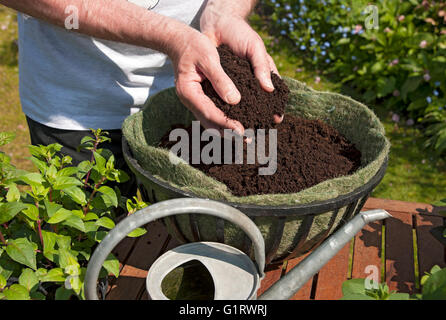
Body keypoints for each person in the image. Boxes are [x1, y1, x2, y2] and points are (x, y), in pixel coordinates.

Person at [0, 0, 280, 198]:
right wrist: (173, 37)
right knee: (84, 255)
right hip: (79, 114)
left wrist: (226, 12)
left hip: (199, 99)